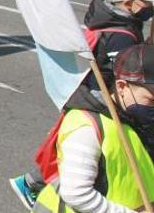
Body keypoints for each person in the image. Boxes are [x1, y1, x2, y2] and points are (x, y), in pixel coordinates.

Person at [10, 0, 154, 208]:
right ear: (130, 3)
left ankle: (31, 182)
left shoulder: (109, 19)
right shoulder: (121, 37)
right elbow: (127, 70)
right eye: (146, 2)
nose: (150, 7)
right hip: (102, 101)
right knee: (89, 155)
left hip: (96, 98)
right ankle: (31, 183)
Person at [29, 43, 154, 213]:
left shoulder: (133, 118)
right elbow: (77, 194)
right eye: (152, 100)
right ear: (122, 87)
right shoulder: (87, 126)